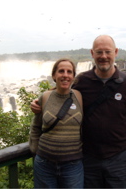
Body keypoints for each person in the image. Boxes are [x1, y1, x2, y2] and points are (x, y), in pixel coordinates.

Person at [31, 35, 126, 188]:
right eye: (99, 52)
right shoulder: (82, 81)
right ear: (92, 53)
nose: (103, 56)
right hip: (88, 158)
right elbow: (62, 91)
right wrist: (39, 101)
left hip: (118, 159)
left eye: (107, 52)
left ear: (115, 52)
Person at [29, 58, 84, 188]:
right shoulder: (45, 97)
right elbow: (36, 126)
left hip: (73, 165)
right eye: (61, 71)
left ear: (73, 77)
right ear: (54, 75)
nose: (65, 75)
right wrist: (35, 150)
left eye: (69, 72)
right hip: (44, 164)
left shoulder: (79, 97)